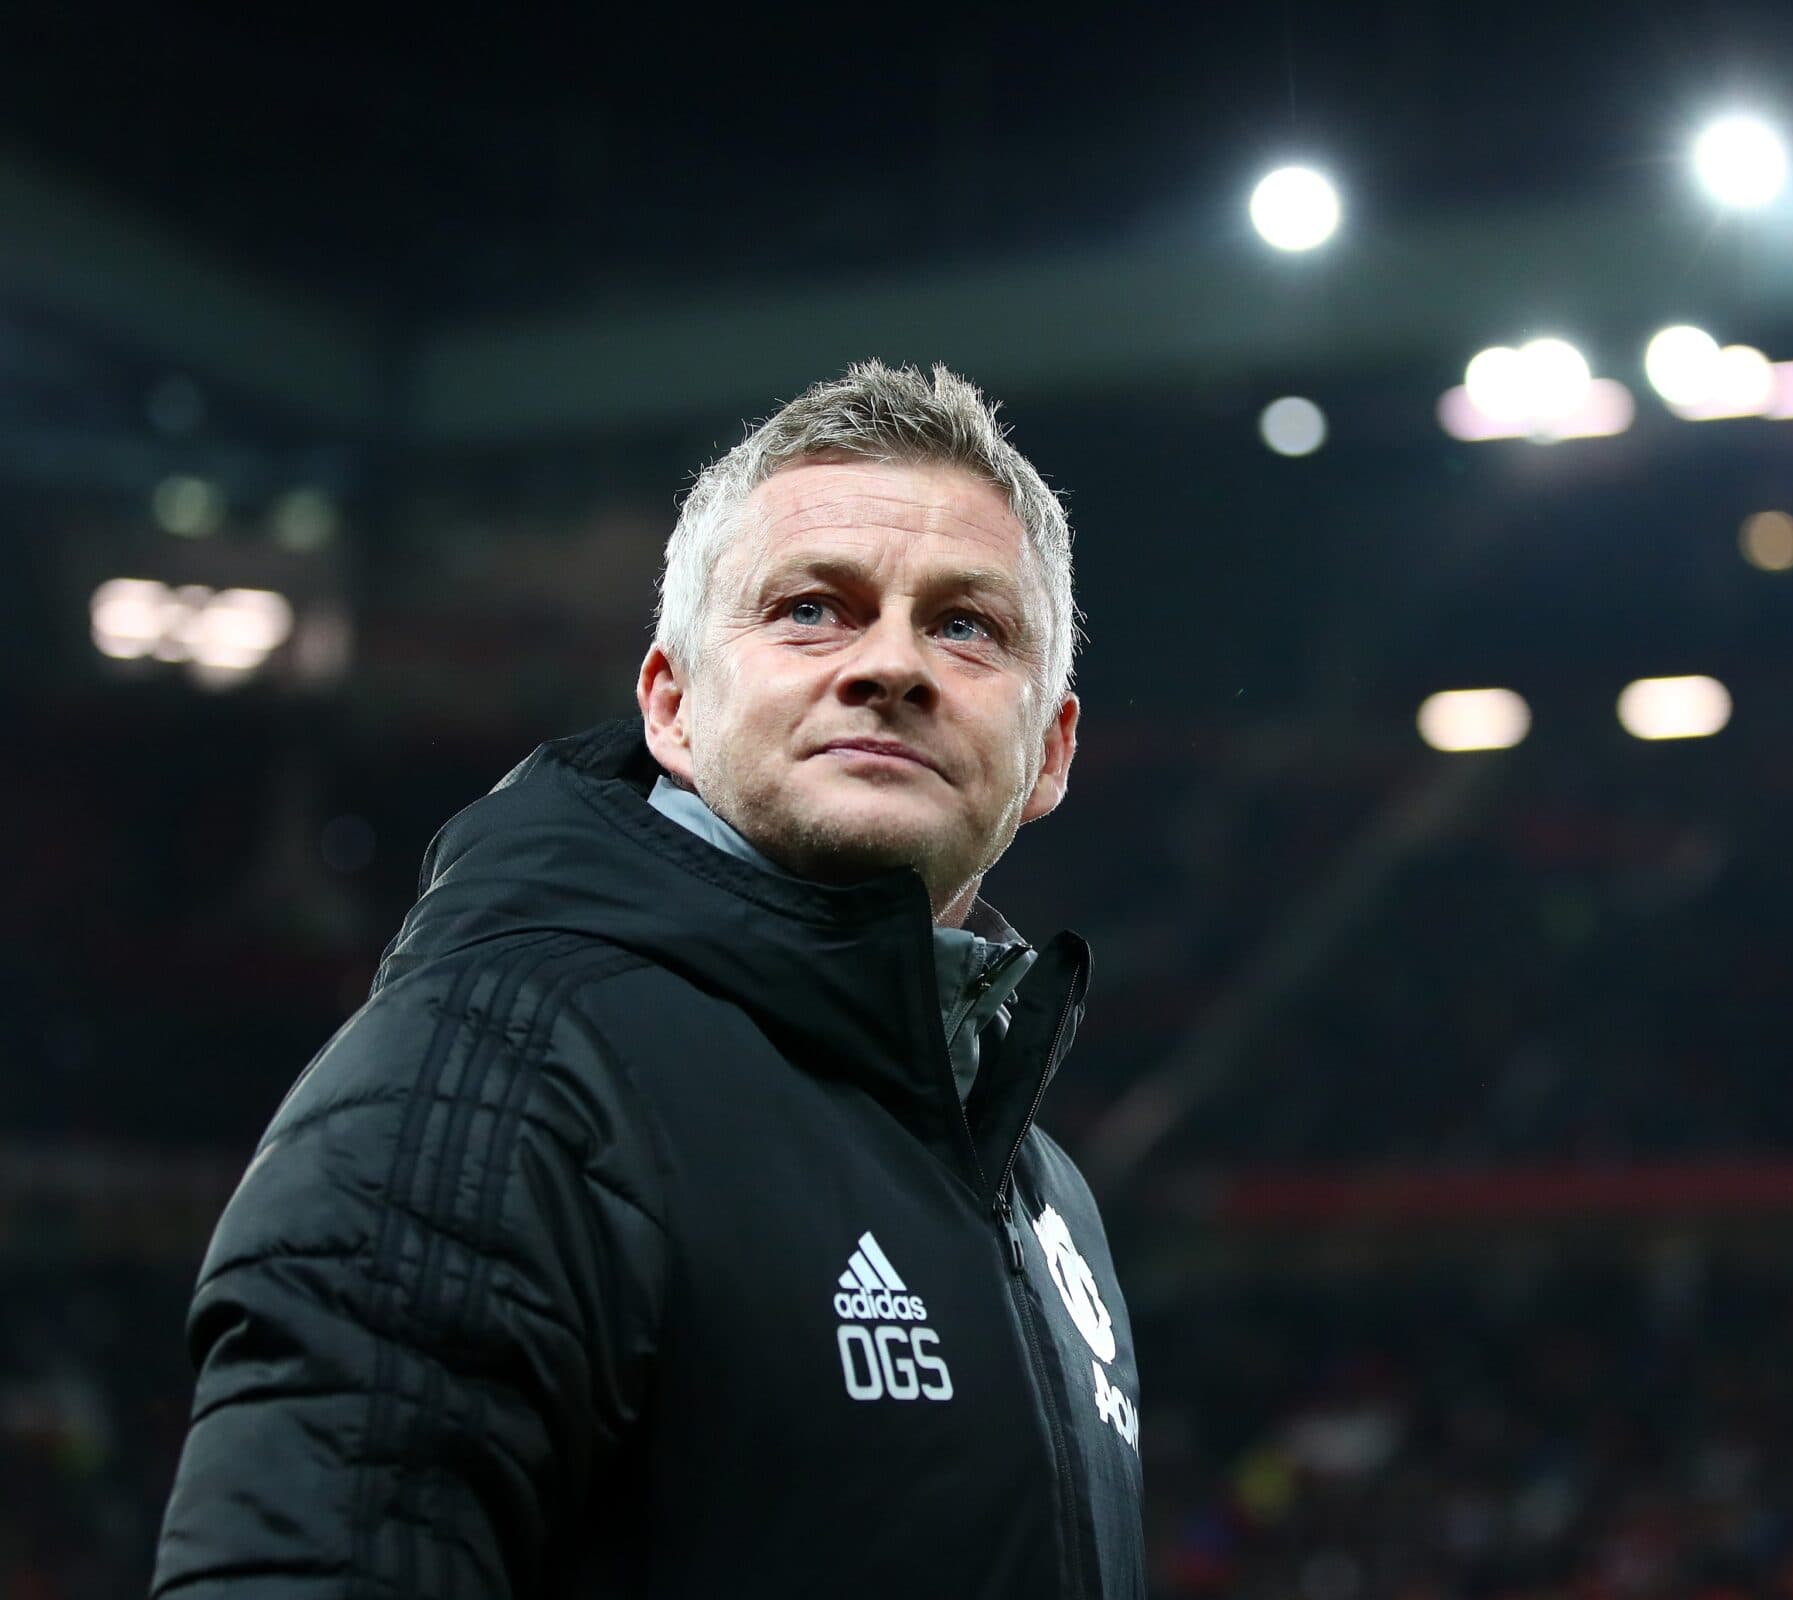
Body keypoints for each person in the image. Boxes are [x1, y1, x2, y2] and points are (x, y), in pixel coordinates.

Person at [150, 363, 1144, 1597]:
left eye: (966, 626)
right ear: (671, 708)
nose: (893, 664)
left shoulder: (1048, 1197)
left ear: (1050, 751)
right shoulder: (493, 1077)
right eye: (812, 609)